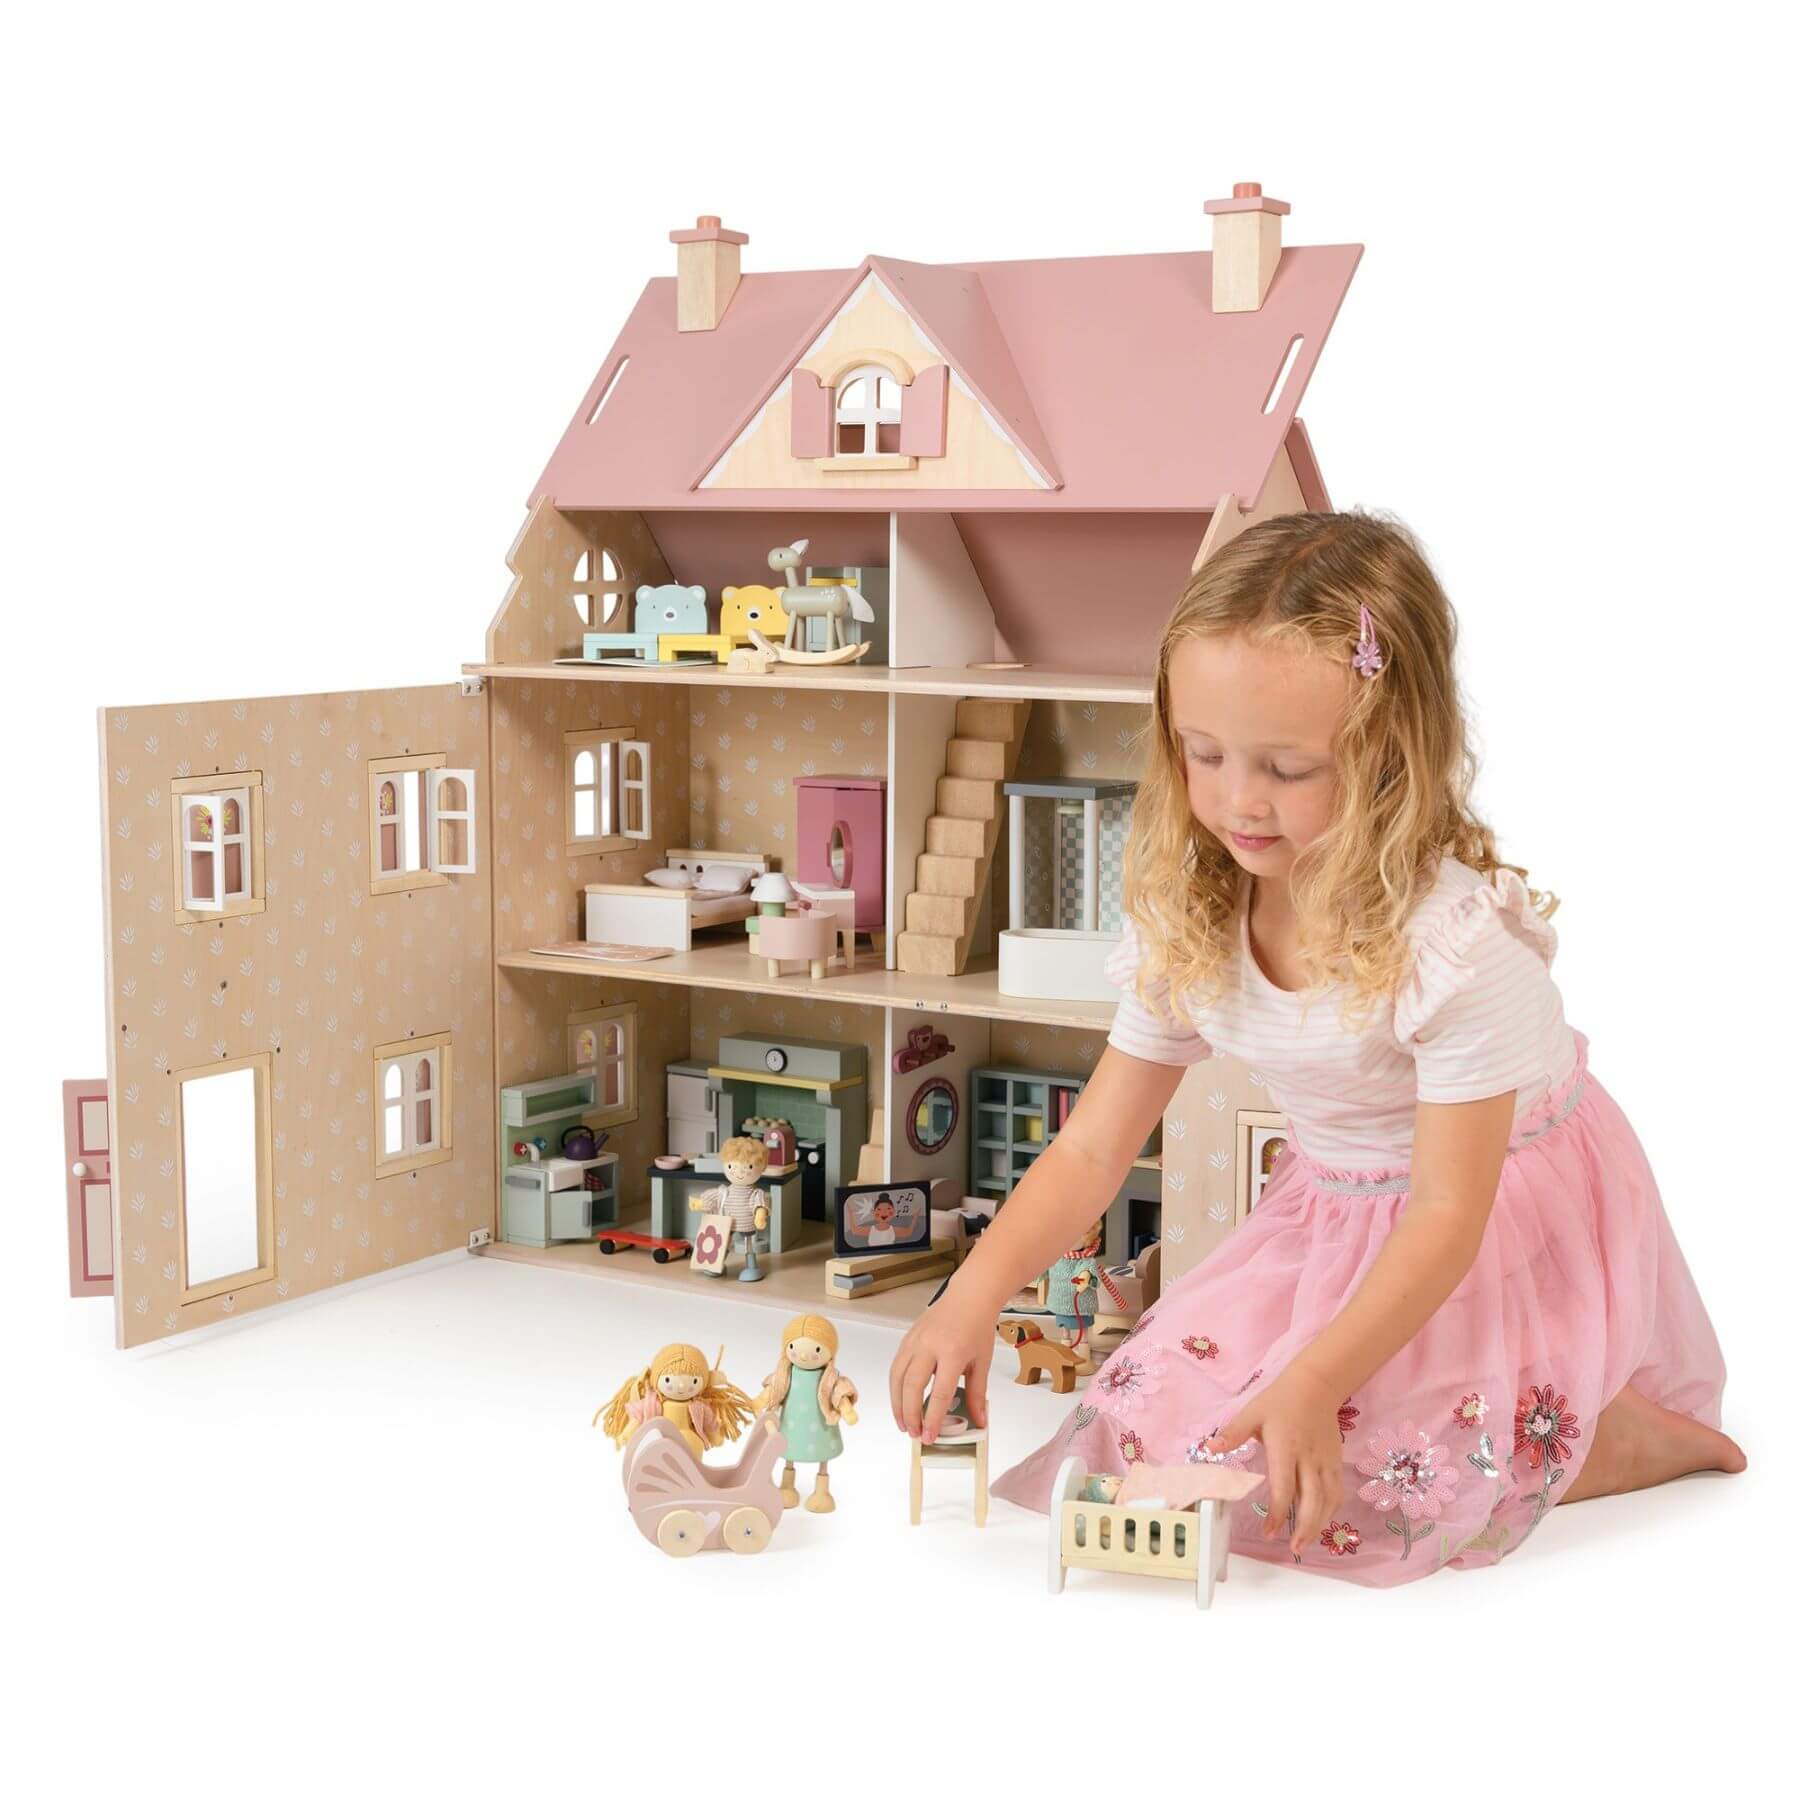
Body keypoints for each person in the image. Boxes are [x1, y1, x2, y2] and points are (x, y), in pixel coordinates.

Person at [887, 510, 1743, 1587]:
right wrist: (970, 1295)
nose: (1238, 800)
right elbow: (1092, 1151)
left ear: (1392, 761)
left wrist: (1315, 1377)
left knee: (1390, 1484)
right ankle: (1493, 1418)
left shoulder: (1456, 952)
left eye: (1288, 768)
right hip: (1331, 1213)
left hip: (1487, 1224)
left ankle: (1608, 1436)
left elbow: (1446, 1215)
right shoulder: (1193, 916)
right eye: (1204, 754)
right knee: (1141, 1425)